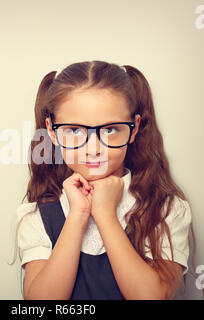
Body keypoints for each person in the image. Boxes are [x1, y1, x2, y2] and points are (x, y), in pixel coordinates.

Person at [15, 61, 193, 300]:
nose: (94, 149)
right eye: (75, 131)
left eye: (110, 130)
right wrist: (77, 216)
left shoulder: (166, 210)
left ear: (134, 127)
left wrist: (106, 216)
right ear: (52, 131)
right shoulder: (37, 215)